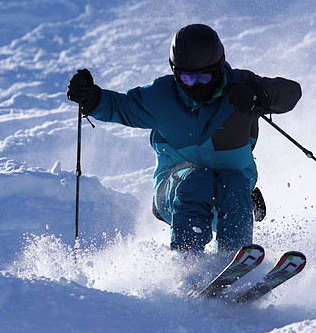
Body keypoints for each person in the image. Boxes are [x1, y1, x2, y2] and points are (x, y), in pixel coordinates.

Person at [67, 24, 301, 253]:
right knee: (197, 180)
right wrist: (91, 97)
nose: (196, 85)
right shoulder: (160, 96)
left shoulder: (242, 87)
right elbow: (118, 106)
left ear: (220, 66)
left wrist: (259, 93)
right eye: (188, 78)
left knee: (235, 182)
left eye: (205, 77)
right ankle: (187, 264)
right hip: (176, 194)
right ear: (174, 71)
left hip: (231, 195)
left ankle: (232, 261)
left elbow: (291, 93)